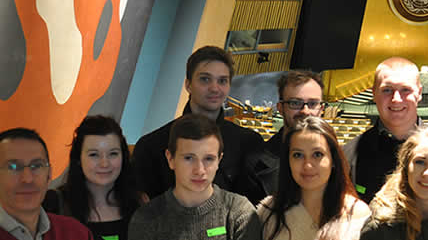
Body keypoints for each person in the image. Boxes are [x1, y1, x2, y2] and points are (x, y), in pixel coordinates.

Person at [133, 46, 266, 203]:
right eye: (205, 79)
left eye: (222, 81)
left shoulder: (249, 144)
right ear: (188, 85)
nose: (214, 88)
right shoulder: (151, 145)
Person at [128, 115, 260, 240]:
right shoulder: (146, 218)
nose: (199, 170)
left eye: (208, 159)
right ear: (170, 159)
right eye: (189, 158)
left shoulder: (239, 213)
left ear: (219, 160)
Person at [257, 116, 369, 240]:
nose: (307, 165)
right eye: (298, 155)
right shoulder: (268, 213)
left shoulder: (358, 214)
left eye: (317, 154)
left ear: (333, 160)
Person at [42, 116, 146, 240]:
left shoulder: (139, 203)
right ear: (78, 159)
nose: (104, 163)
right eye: (94, 155)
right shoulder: (54, 204)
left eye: (113, 154)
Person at [0, 128, 92, 239]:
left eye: (37, 165)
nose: (27, 179)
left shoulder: (77, 234)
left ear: (49, 175)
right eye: (13, 167)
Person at [343, 57, 423, 203]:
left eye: (405, 90)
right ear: (374, 93)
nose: (396, 99)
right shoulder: (347, 156)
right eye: (387, 90)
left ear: (419, 93)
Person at [240, 70, 324, 204]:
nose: (305, 111)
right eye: (295, 103)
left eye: (313, 103)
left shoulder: (336, 160)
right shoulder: (253, 163)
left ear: (321, 109)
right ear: (280, 108)